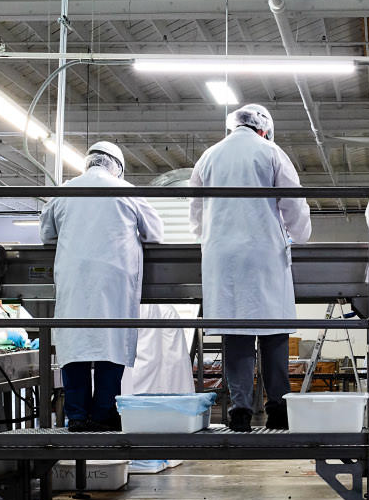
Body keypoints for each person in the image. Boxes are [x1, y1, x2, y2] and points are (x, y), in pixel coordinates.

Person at [190, 104, 311, 432]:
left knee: (237, 334)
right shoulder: (271, 152)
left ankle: (240, 411)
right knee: (273, 334)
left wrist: (208, 237)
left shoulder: (209, 156)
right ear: (264, 129)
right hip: (264, 255)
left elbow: (196, 208)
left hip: (223, 257)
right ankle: (278, 410)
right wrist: (300, 235)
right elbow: (293, 203)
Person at [40, 141, 165, 432]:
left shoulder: (64, 191)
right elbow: (156, 234)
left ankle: (77, 417)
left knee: (75, 346)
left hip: (75, 277)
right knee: (112, 344)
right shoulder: (126, 191)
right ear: (117, 167)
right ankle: (104, 413)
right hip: (115, 279)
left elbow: (46, 234)